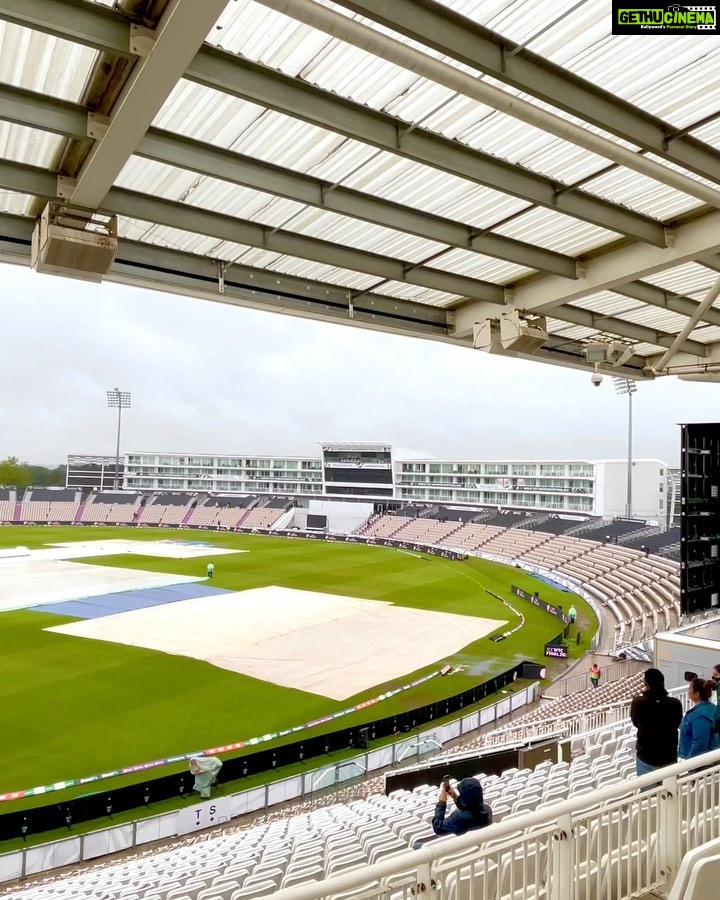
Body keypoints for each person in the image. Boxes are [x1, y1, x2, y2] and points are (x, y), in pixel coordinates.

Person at [630, 668, 683, 776]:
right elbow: (677, 722)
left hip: (647, 757)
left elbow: (636, 722)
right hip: (669, 755)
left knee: (649, 792)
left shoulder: (638, 703)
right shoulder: (675, 704)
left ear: (646, 684)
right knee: (670, 792)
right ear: (663, 683)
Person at [413, 778, 492, 849]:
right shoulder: (487, 810)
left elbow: (438, 827)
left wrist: (442, 802)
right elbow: (472, 808)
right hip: (475, 846)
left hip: (458, 848)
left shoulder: (458, 818)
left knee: (417, 845)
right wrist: (455, 797)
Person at [679, 678, 720, 760]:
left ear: (697, 694)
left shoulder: (699, 715)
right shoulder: (712, 708)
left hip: (697, 764)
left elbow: (699, 744)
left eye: (690, 688)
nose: (688, 691)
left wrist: (687, 764)